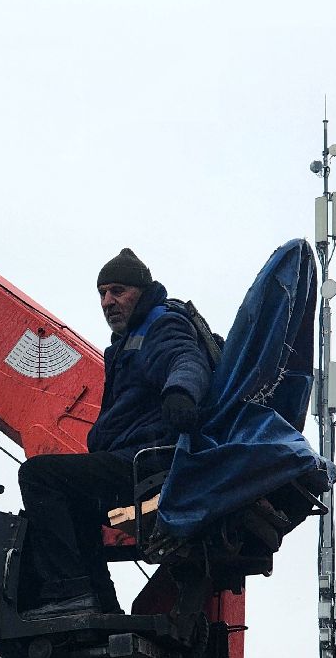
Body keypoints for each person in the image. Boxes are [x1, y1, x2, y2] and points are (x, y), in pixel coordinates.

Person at [18, 248, 213, 616]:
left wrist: (180, 393)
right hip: (134, 459)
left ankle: (68, 592)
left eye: (118, 291)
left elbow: (185, 358)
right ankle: (99, 603)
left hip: (149, 460)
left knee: (39, 476)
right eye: (102, 293)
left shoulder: (161, 324)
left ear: (142, 291)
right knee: (76, 499)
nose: (108, 301)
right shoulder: (126, 342)